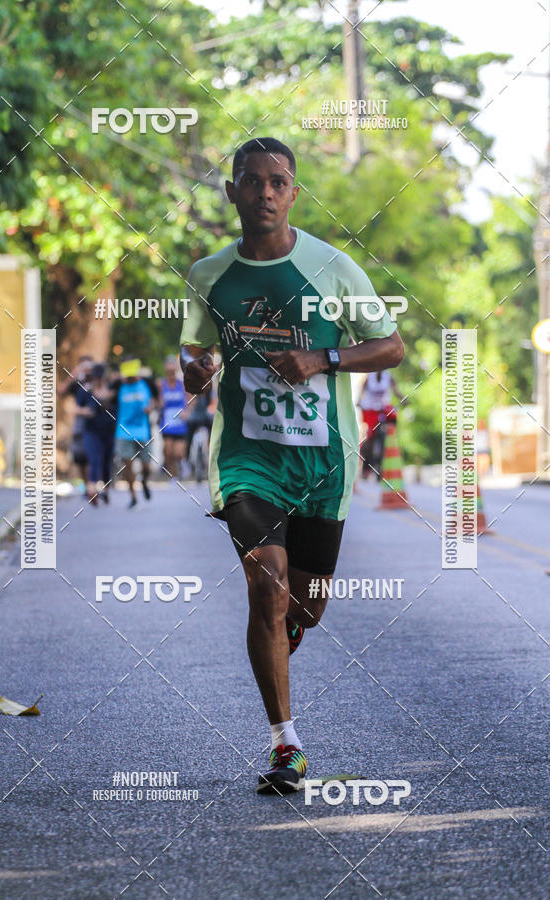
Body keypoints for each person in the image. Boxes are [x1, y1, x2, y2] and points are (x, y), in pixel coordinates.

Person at [179, 137, 404, 795]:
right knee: (265, 585)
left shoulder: (333, 267)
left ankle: (283, 634)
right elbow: (197, 351)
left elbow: (390, 346)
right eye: (252, 181)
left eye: (279, 182)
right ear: (232, 193)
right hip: (248, 458)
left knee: (304, 606)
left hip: (323, 463)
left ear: (293, 193)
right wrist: (196, 371)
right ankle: (287, 746)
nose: (266, 193)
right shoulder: (208, 273)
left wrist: (322, 360)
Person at [114, 357, 155, 508]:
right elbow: (106, 395)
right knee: (128, 465)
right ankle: (133, 496)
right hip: (123, 432)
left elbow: (155, 400)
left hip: (142, 431)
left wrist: (151, 407)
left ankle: (144, 481)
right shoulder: (118, 385)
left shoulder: (146, 383)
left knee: (147, 466)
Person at [76, 363, 116, 505]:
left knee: (106, 461)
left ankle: (105, 490)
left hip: (109, 431)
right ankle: (92, 490)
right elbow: (76, 408)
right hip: (91, 431)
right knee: (94, 459)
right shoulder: (86, 391)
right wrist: (85, 412)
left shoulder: (112, 390)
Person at [358, 370, 403, 479]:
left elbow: (396, 390)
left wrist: (403, 399)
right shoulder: (369, 376)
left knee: (388, 431)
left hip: (383, 409)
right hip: (370, 409)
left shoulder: (388, 376)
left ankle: (382, 467)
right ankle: (366, 467)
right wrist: (359, 401)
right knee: (368, 437)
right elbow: (362, 391)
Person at [59, 354, 94, 485]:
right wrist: (74, 374)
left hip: (96, 424)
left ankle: (94, 484)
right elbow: (61, 391)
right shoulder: (77, 383)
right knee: (80, 457)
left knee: (94, 455)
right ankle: (87, 486)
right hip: (80, 424)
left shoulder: (98, 381)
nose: (87, 370)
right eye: (83, 367)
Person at [158, 356, 190, 478]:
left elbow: (191, 400)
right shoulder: (161, 385)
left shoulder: (182, 385)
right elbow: (158, 401)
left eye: (173, 371)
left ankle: (183, 463)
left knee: (178, 453)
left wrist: (187, 412)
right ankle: (173, 477)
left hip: (180, 423)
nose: (171, 373)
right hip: (167, 423)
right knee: (168, 451)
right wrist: (159, 404)